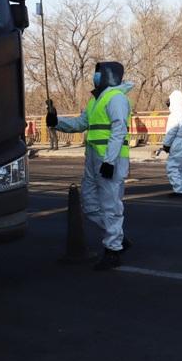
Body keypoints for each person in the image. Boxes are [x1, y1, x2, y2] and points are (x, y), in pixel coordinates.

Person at [46, 62, 134, 270]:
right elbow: (81, 124)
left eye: (98, 73)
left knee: (111, 205)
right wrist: (56, 121)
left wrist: (109, 161)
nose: (95, 76)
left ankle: (113, 251)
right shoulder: (96, 100)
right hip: (94, 158)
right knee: (90, 204)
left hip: (109, 160)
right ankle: (118, 238)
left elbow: (119, 130)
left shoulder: (116, 98)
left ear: (108, 76)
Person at [161, 90, 182, 197]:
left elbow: (171, 131)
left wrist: (166, 144)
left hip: (178, 142)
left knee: (173, 167)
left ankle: (178, 189)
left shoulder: (175, 114)